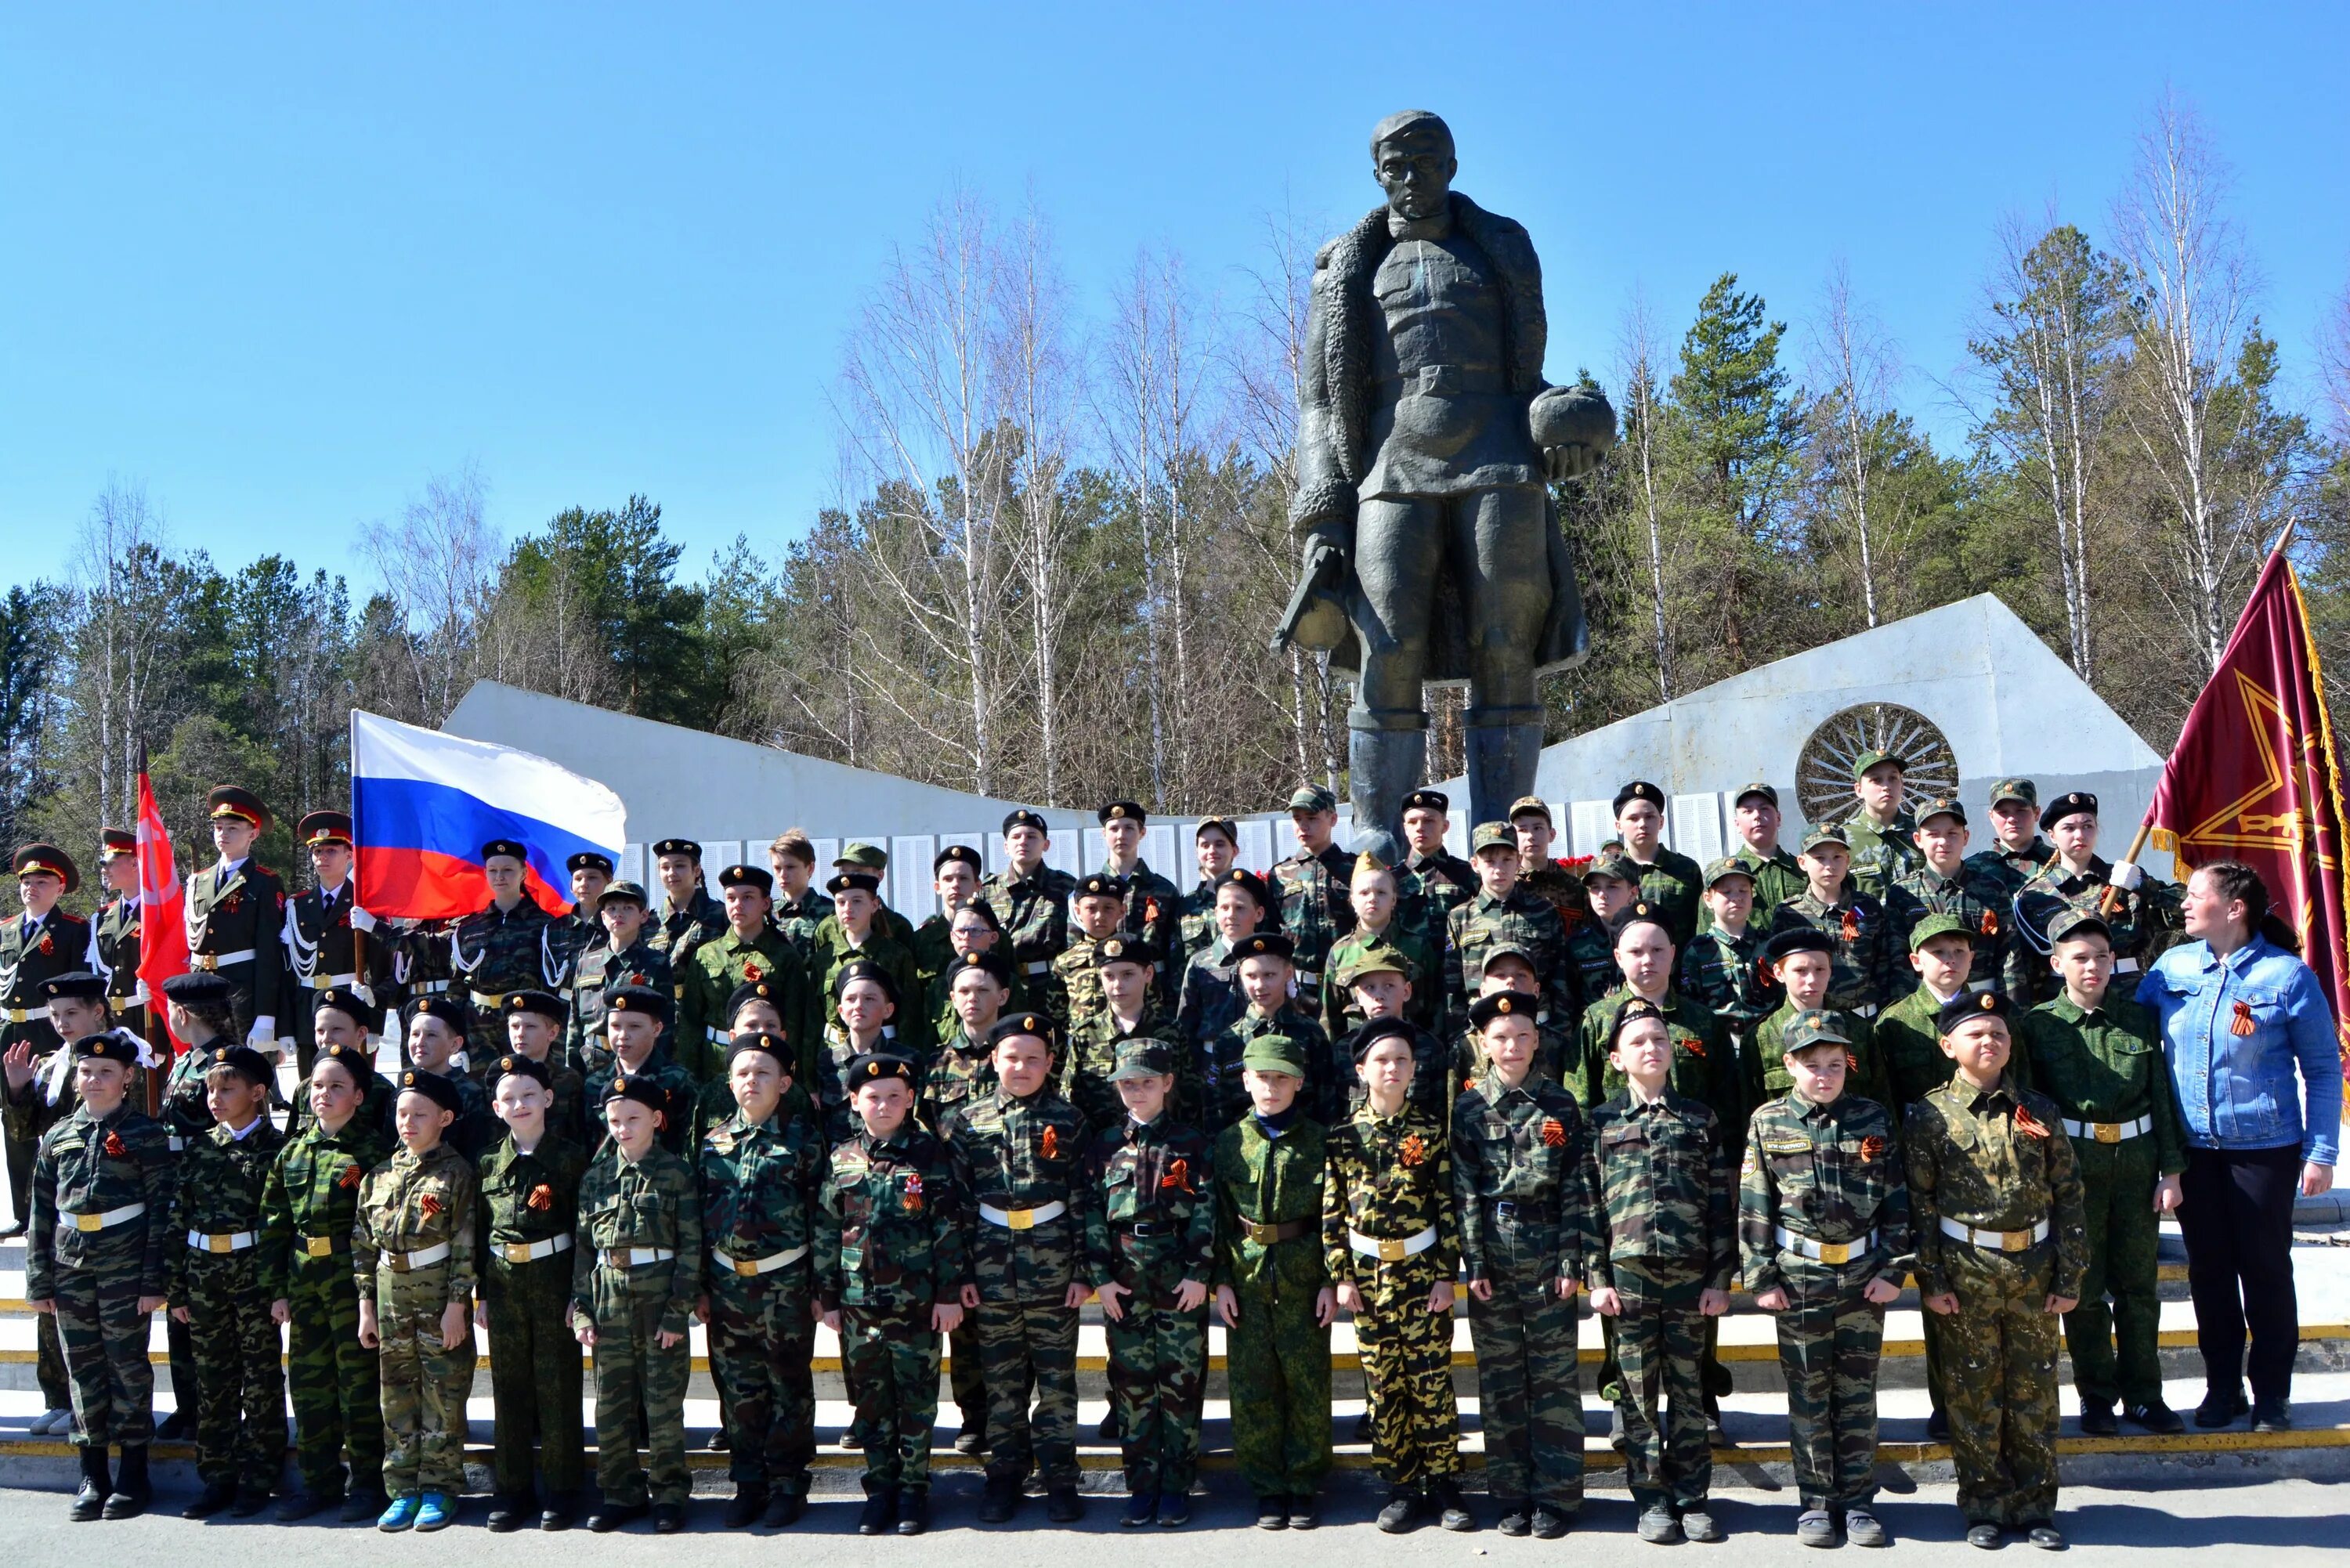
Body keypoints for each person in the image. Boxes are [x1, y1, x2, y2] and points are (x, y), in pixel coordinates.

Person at [2137, 860, 2340, 1433]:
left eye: (2195, 894)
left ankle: (2272, 1393)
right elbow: (2136, 1042)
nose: (2184, 903)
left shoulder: (2286, 977)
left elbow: (2323, 1068)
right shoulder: (2172, 967)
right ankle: (2222, 1387)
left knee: (2266, 1271)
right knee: (2209, 1273)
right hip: (2192, 1152)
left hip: (2265, 1150)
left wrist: (2321, 1152)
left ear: (2234, 909)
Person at [1905, 991, 2087, 1550]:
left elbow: (2070, 1195)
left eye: (1999, 1034)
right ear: (1948, 1045)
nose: (1989, 1042)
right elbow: (1920, 1204)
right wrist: (1931, 1281)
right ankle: (1983, 1503)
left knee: (2035, 1393)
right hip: (1966, 1271)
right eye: (1976, 1033)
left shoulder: (2040, 1110)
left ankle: (2036, 1505)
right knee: (1974, 1394)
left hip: (2034, 1269)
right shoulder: (1928, 1115)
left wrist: (2070, 1275)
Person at [1740, 1012, 1911, 1548]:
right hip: (1799, 1277)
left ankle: (1859, 1501)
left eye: (1834, 1064)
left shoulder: (1873, 1118)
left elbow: (1898, 1198)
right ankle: (1816, 1503)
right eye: (1812, 1064)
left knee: (1857, 1395)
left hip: (1863, 1277)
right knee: (1810, 1394)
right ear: (1790, 1063)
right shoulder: (1769, 1121)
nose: (1824, 1074)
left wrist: (1894, 1270)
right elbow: (1755, 1204)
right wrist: (1761, 1276)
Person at [2020, 911, 2188, 1436]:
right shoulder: (2037, 1025)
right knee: (2084, 1289)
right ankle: (2096, 1396)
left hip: (2136, 1163)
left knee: (2138, 1288)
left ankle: (2144, 1394)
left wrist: (2172, 1170)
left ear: (2114, 960)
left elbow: (2161, 1093)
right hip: (2075, 1167)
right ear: (2056, 964)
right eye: (2079, 957)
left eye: (2100, 956)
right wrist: (2040, 1179)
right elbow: (2029, 1110)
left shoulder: (2137, 1018)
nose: (2091, 966)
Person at [1584, 1000, 1734, 1545]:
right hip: (1628, 1280)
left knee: (1689, 1392)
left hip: (1691, 1280)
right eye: (1638, 1042)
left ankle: (1693, 1497)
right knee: (1638, 1396)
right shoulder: (1601, 1122)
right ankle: (1651, 1500)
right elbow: (1590, 1209)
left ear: (1672, 1051)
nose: (1651, 1048)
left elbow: (1722, 1204)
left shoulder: (1700, 1118)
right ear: (1617, 1059)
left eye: (1659, 1040)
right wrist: (1596, 1278)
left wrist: (1720, 1280)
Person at [942, 1013, 1094, 1524]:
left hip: (1052, 1264)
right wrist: (962, 1272)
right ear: (993, 1060)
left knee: (1056, 1382)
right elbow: (957, 1201)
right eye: (1012, 1057)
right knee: (1001, 1380)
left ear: (1051, 1063)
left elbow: (1083, 1197)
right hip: (990, 1262)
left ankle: (1059, 1478)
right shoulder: (969, 1120)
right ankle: (1005, 1474)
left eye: (1034, 1058)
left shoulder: (1069, 1120)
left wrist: (1083, 1271)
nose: (1022, 1067)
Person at [1452, 992, 1590, 1538]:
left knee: (1554, 1380)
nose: (1512, 1046)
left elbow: (1576, 1185)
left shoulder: (1560, 1104)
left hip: (1547, 1247)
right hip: (1493, 1246)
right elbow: (1463, 1189)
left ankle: (1556, 1496)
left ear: (1538, 1040)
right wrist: (1474, 1260)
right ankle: (1509, 1494)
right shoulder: (1468, 1108)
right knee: (1502, 1379)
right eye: (1501, 1037)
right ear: (1484, 1045)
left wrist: (1569, 1256)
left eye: (1522, 1035)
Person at [1324, 1017, 1469, 1534]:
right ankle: (1402, 1486)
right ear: (1361, 1069)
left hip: (1420, 1273)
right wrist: (1341, 1276)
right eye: (1381, 1060)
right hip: (1367, 1279)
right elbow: (1333, 1211)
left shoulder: (1429, 1129)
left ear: (1413, 1070)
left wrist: (1446, 1275)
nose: (1392, 1068)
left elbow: (1445, 1205)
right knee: (1383, 1388)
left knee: (1431, 1383)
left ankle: (1446, 1483)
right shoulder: (1343, 1134)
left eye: (1402, 1060)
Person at [817, 1052, 969, 1536]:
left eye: (893, 1098)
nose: (883, 1106)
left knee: (917, 1401)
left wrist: (948, 1294)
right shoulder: (841, 1156)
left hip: (917, 1303)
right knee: (871, 1401)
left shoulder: (928, 1155)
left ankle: (913, 1491)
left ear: (909, 1102)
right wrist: (827, 1296)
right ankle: (880, 1490)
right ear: (855, 1100)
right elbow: (826, 1228)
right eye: (872, 1097)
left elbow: (947, 1227)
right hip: (859, 1305)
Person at [27, 1028, 173, 1520]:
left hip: (126, 1268)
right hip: (71, 1268)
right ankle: (93, 1471)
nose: (94, 1079)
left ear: (127, 1078)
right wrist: (38, 1279)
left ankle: (134, 1473)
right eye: (86, 1071)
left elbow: (161, 1210)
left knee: (126, 1367)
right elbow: (41, 1212)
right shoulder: (59, 1135)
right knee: (82, 1368)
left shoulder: (146, 1135)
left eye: (106, 1072)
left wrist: (154, 1281)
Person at [260, 1038, 395, 1522]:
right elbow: (274, 1223)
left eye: (337, 1086)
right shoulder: (293, 1152)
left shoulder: (376, 1152)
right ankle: (318, 1482)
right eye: (317, 1085)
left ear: (358, 1096)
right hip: (304, 1281)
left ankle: (366, 1485)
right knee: (310, 1387)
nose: (324, 1094)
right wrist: (276, 1290)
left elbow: (381, 1227)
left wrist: (371, 1293)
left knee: (357, 1385)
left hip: (352, 1279)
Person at [1083, 1039, 1216, 1526]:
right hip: (1124, 1281)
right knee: (1132, 1386)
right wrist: (1102, 1280)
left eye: (1146, 1081)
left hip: (1178, 1276)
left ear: (1167, 1084)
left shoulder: (1191, 1142)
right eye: (1127, 1083)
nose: (1136, 1091)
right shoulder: (1103, 1145)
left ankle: (1178, 1485)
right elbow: (1093, 1215)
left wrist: (1199, 1274)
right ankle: (1141, 1485)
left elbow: (1206, 1212)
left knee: (1180, 1386)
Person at [697, 1030, 826, 1528]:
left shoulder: (803, 1143)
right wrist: (701, 1286)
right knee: (738, 1388)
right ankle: (748, 1482)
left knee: (787, 1385)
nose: (752, 1080)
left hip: (786, 1282)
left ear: (786, 1082)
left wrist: (821, 1287)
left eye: (764, 1072)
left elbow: (823, 1218)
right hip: (728, 1284)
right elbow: (699, 1219)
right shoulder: (712, 1145)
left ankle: (789, 1486)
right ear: (730, 1083)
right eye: (743, 1073)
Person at [573, 1072, 704, 1534]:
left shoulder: (677, 1174)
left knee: (663, 1405)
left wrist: (676, 1312)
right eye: (614, 1120)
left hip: (658, 1298)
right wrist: (583, 1308)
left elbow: (691, 1249)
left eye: (633, 1118)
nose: (623, 1128)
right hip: (609, 1299)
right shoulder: (596, 1177)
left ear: (657, 1118)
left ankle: (669, 1493)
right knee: (612, 1403)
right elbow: (585, 1250)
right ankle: (620, 1493)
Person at [1213, 1039, 1336, 1530]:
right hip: (1246, 1277)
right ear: (1245, 1079)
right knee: (1252, 1386)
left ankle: (1304, 1485)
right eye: (1262, 1077)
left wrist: (1331, 1279)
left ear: (1299, 1082)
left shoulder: (1320, 1140)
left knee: (1308, 1384)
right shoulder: (1227, 1143)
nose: (1271, 1086)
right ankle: (1267, 1487)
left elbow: (1334, 1215)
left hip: (1304, 1275)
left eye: (1282, 1077)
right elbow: (1219, 1217)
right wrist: (1221, 1280)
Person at [165, 1042, 287, 1518]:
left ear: (257, 1093)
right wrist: (176, 1287)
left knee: (259, 1378)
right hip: (203, 1276)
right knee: (212, 1378)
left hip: (253, 1275)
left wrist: (279, 1287)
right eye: (210, 1089)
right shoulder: (201, 1148)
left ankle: (259, 1477)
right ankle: (217, 1476)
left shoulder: (278, 1150)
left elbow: (281, 1228)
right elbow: (180, 1218)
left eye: (227, 1088)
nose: (214, 1098)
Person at [356, 1068, 479, 1533]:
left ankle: (440, 1488)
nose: (407, 1122)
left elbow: (466, 1243)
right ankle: (403, 1488)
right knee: (397, 1394)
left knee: (443, 1393)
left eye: (419, 1114)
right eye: (402, 1113)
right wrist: (367, 1305)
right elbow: (363, 1245)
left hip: (436, 1294)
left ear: (444, 1118)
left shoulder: (456, 1173)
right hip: (390, 1296)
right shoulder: (379, 1175)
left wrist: (457, 1305)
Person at [475, 1052, 590, 1532]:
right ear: (496, 1108)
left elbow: (585, 1234)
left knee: (558, 1385)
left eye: (528, 1095)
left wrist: (579, 1296)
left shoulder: (569, 1158)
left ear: (547, 1098)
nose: (519, 1104)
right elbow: (480, 1232)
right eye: (508, 1098)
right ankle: (513, 1489)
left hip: (554, 1280)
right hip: (503, 1289)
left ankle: (563, 1489)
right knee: (509, 1387)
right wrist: (480, 1294)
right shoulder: (485, 1163)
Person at [4, 969, 97, 1433]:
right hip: (51, 1197)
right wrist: (18, 1089)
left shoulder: (121, 1058)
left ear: (98, 1012)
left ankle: (96, 1404)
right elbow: (25, 1134)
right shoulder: (51, 1063)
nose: (62, 1023)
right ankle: (58, 1396)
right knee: (50, 1300)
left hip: (97, 1199)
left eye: (72, 1013)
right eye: (57, 1015)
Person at [2012, 792, 2180, 1003]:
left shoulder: (2125, 880)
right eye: (2069, 828)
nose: (2080, 835)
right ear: (2052, 835)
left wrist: (2145, 886)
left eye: (2087, 826)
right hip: (2065, 1001)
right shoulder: (2034, 895)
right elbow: (2029, 966)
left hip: (2125, 995)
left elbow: (2188, 912)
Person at [6, 844, 92, 1238]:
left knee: (57, 1117)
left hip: (50, 1030)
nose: (32, 888)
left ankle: (57, 1203)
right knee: (15, 1118)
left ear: (60, 889)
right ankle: (24, 1215)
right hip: (9, 1031)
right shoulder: (6, 929)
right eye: (26, 882)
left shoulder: (73, 929)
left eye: (42, 882)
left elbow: (80, 985)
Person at [675, 862, 817, 1086]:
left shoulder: (785, 957)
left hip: (768, 1067)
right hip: (715, 1066)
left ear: (766, 903)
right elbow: (690, 1023)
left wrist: (798, 1078)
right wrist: (686, 1078)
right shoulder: (706, 955)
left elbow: (797, 1025)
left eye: (748, 897)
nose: (738, 905)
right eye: (731, 898)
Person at [282, 810, 385, 1081]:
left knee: (355, 1086)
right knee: (312, 1087)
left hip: (351, 1006)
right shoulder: (298, 905)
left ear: (349, 855)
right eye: (317, 852)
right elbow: (288, 971)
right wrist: (285, 1026)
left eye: (331, 851)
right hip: (309, 1011)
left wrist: (375, 1023)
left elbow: (381, 967)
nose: (322, 858)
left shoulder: (365, 903)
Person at [1198, 931, 1333, 1132]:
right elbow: (1215, 1109)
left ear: (1288, 974)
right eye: (1251, 976)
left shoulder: (1311, 1033)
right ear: (1240, 975)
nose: (1260, 985)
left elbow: (1326, 1101)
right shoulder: (1229, 1040)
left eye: (1269, 975)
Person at [185, 788, 288, 1048]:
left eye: (232, 828)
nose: (223, 834)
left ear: (252, 834)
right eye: (219, 827)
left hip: (241, 993)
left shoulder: (265, 882)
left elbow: (269, 952)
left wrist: (266, 1016)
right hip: (202, 989)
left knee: (244, 1072)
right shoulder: (199, 881)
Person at [1447, 823, 1574, 1031]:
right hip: (1481, 1024)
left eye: (1507, 860)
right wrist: (1458, 1036)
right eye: (1489, 861)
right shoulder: (1461, 917)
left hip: (1536, 1022)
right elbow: (1452, 984)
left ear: (1518, 861)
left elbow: (1560, 975)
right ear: (1475, 864)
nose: (1499, 870)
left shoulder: (1543, 911)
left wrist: (1561, 1030)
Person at [1770, 825, 1902, 1018]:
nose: (1829, 865)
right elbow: (1781, 971)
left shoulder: (1867, 906)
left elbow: (1883, 963)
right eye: (1820, 858)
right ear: (1802, 862)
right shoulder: (1790, 913)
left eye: (1837, 857)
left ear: (1848, 860)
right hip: (1813, 1019)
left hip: (1866, 1017)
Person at [449, 839, 558, 1070]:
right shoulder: (470, 927)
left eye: (508, 870)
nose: (500, 877)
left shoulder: (545, 925)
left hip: (525, 1025)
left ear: (524, 873)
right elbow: (457, 986)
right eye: (493, 870)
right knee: (482, 1094)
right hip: (477, 1025)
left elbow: (550, 984)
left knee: (524, 1085)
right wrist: (455, 1036)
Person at [1888, 797, 2012, 992]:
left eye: (1952, 834)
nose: (1943, 842)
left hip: (1981, 996)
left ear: (1966, 837)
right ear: (1918, 840)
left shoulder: (1991, 889)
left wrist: (2012, 1010)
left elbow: (2009, 952)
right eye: (1933, 834)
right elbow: (1897, 956)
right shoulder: (1903, 892)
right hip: (1924, 998)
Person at [1322, 851, 1443, 1042]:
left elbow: (1436, 1007)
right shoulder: (1340, 952)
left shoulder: (1417, 946)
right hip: (1356, 1051)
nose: (1372, 898)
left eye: (1381, 892)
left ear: (1394, 899)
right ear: (1352, 900)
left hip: (1410, 1048)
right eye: (1364, 893)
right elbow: (1330, 1017)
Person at [1063, 936, 1175, 1132]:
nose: (1117, 984)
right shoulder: (1086, 1035)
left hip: (1161, 1146)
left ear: (1148, 974)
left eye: (1128, 975)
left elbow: (1186, 1098)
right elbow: (1070, 1099)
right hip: (1102, 1149)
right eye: (1109, 976)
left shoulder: (1169, 1031)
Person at [566, 880, 672, 1079]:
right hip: (591, 1065)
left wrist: (657, 1072)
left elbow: (665, 1023)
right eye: (612, 909)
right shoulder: (587, 962)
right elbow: (575, 1023)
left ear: (643, 916)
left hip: (637, 1065)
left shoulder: (656, 963)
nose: (619, 914)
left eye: (628, 908)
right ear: (603, 917)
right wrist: (572, 1073)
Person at [1677, 858, 1781, 1062]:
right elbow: (1690, 1004)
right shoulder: (1698, 950)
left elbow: (1782, 997)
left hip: (1769, 1045)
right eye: (1726, 892)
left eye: (1743, 891)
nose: (1736, 898)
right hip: (1721, 1050)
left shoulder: (1769, 944)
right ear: (1708, 899)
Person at [584, 985, 699, 1157]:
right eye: (615, 1026)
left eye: (634, 1026)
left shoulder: (678, 1081)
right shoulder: (595, 1083)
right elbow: (587, 1144)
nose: (623, 1035)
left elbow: (690, 1145)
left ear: (657, 1029)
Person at [1270, 785, 1357, 998]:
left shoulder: (1355, 869)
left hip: (1348, 985)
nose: (1303, 826)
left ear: (1333, 819)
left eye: (1312, 818)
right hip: (1296, 990)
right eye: (1297, 819)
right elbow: (1271, 931)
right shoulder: (1280, 874)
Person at [982, 809, 1076, 995]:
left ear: (1046, 845)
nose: (1023, 841)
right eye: (1016, 837)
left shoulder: (1065, 886)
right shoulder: (987, 890)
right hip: (1003, 987)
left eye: (1031, 836)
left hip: (1051, 987)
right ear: (1006, 847)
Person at [1095, 801, 1182, 994]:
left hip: (1155, 993)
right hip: (1107, 990)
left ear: (1142, 833)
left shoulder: (1164, 890)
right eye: (1114, 829)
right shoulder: (1090, 892)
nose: (1121, 835)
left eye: (1129, 828)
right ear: (1104, 834)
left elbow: (1175, 952)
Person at [401, 996, 497, 1161]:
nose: (420, 1042)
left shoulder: (470, 1093)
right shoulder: (402, 1090)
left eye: (431, 1035)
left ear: (455, 1045)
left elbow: (476, 1151)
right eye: (415, 1034)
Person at [1611, 782, 1702, 946]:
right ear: (1619, 826)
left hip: (1677, 968)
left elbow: (1701, 925)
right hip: (1620, 969)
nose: (1642, 824)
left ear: (1661, 822)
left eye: (1650, 817)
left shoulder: (1686, 869)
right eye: (1633, 818)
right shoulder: (1609, 872)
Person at [498, 989, 589, 1146]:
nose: (520, 1034)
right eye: (514, 1026)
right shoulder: (498, 1078)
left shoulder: (569, 1080)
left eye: (530, 1027)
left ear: (552, 1033)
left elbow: (578, 1135)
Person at [1051, 872, 1129, 1038]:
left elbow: (1152, 1006)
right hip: (1083, 1047)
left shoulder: (1134, 955)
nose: (1100, 916)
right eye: (1091, 909)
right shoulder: (1066, 960)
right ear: (1078, 911)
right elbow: (1056, 1016)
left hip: (1126, 1043)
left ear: (1122, 911)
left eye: (1108, 908)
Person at [87, 831, 148, 1040]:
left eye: (110, 863)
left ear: (134, 863)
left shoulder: (158, 911)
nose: (104, 870)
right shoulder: (102, 918)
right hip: (111, 1022)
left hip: (147, 1018)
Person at [1724, 783, 1806, 929]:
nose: (1757, 816)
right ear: (1737, 824)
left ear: (1779, 818)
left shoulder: (1802, 870)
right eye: (1748, 811)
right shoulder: (1725, 877)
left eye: (1764, 809)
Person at [1961, 779, 2055, 906]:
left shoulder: (2060, 861)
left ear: (2037, 813)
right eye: (2003, 813)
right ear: (1991, 817)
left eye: (2021, 811)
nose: (2012, 819)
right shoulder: (1972, 868)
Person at [544, 850, 614, 1000]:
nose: (584, 884)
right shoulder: (555, 928)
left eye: (592, 877)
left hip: (604, 1006)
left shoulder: (616, 924)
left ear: (609, 882)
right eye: (578, 878)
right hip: (563, 1009)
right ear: (571, 886)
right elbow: (546, 979)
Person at [1173, 817, 1242, 968]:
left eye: (1220, 844)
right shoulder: (1185, 906)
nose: (1212, 851)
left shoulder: (1249, 900)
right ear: (1197, 852)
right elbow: (1176, 964)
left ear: (1234, 851)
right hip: (1198, 989)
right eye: (1205, 845)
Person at [648, 837, 727, 965]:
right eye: (665, 867)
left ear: (696, 870)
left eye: (679, 866)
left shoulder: (721, 915)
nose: (671, 873)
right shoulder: (650, 921)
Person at [1401, 788, 1476, 913]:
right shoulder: (1393, 877)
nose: (1419, 828)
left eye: (1428, 821)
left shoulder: (1468, 875)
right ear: (1405, 829)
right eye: (1412, 822)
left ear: (1445, 826)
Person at [766, 830, 834, 962]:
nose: (783, 874)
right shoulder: (766, 913)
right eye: (777, 868)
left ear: (810, 868)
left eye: (790, 867)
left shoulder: (830, 912)